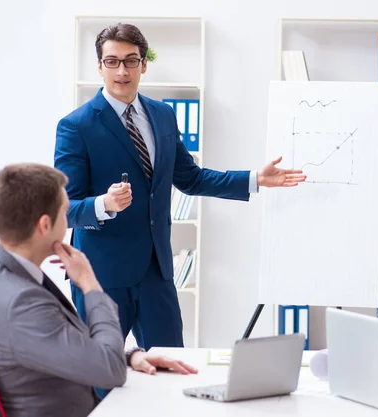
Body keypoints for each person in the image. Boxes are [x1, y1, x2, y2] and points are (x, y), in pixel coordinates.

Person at [54, 22, 306, 350]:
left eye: (131, 60)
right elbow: (65, 209)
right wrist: (104, 204)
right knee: (102, 377)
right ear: (99, 66)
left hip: (156, 273)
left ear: (144, 64)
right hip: (102, 274)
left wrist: (254, 178)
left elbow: (190, 178)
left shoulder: (162, 115)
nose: (122, 70)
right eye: (112, 61)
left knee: (171, 369)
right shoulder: (76, 126)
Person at [0, 163, 197, 417]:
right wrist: (89, 283)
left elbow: (59, 340)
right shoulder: (21, 301)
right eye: (65, 214)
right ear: (44, 225)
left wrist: (129, 355)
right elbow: (109, 372)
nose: (69, 222)